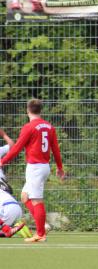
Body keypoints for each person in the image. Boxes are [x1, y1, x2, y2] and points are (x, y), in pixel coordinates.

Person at [0, 99, 65, 243]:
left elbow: (16, 148)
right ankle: (43, 225)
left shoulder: (29, 127)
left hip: (35, 167)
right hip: (44, 167)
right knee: (25, 197)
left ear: (27, 110)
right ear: (40, 110)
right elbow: (55, 149)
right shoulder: (49, 126)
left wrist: (2, 161)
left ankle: (41, 234)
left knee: (36, 200)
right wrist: (60, 168)